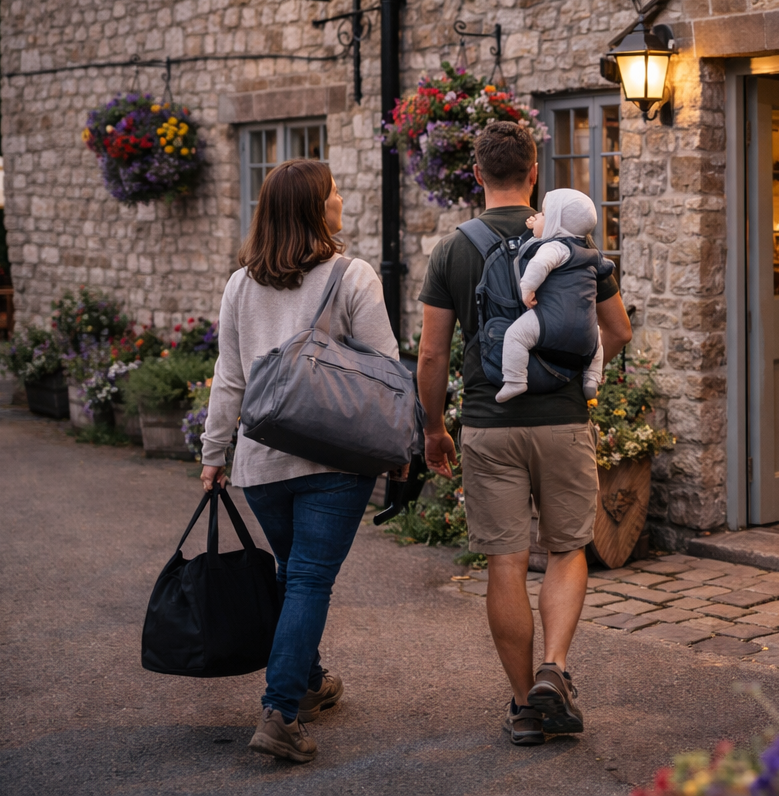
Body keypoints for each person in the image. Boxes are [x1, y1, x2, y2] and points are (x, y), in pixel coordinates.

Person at [417, 121, 632, 747]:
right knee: (566, 549)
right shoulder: (573, 239)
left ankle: (523, 706)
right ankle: (554, 670)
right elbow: (616, 331)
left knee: (505, 561)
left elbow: (431, 356)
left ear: (477, 175)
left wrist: (434, 428)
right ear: (534, 173)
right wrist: (571, 372)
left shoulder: (455, 249)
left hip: (490, 422)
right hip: (564, 419)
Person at [199, 159, 398, 764]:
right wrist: (403, 451)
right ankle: (281, 711)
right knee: (309, 577)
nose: (341, 199)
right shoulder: (352, 276)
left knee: (295, 570)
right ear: (316, 208)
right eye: (334, 192)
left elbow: (228, 379)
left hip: (262, 462)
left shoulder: (240, 284)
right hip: (336, 460)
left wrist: (213, 453)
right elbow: (387, 369)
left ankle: (308, 685)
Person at [496, 187, 614, 404]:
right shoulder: (591, 254)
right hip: (584, 329)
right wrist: (536, 227)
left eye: (542, 215)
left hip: (551, 321)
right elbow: (607, 266)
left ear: (555, 226)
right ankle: (592, 380)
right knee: (596, 340)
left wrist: (527, 289)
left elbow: (539, 264)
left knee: (515, 336)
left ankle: (514, 380)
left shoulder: (556, 248)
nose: (537, 217)